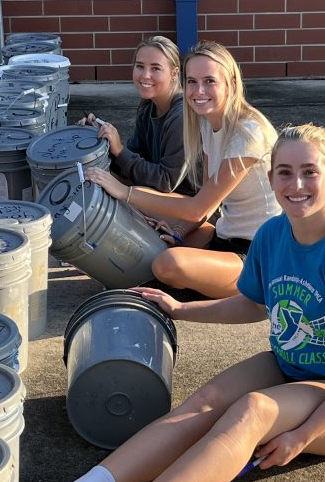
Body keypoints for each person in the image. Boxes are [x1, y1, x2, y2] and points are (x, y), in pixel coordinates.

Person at [13, 123, 325, 482]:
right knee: (204, 402)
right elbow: (254, 304)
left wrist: (302, 435)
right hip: (292, 366)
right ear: (271, 178)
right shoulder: (273, 236)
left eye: (309, 172)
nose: (296, 184)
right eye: (284, 172)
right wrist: (181, 309)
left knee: (253, 410)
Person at [85, 40, 281, 298]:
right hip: (223, 236)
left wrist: (126, 192)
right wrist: (177, 233)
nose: (199, 90)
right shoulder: (208, 123)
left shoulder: (248, 131)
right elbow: (209, 208)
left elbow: (197, 207)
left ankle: (230, 290)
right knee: (152, 243)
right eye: (192, 81)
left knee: (166, 264)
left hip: (257, 253)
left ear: (231, 83)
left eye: (209, 81)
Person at [79, 35, 195, 196]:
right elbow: (130, 165)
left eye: (156, 68)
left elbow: (166, 181)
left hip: (184, 202)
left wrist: (120, 150)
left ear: (174, 73)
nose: (145, 75)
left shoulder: (181, 116)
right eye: (140, 66)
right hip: (154, 196)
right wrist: (102, 140)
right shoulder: (148, 107)